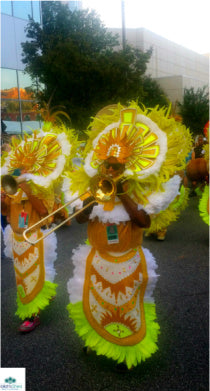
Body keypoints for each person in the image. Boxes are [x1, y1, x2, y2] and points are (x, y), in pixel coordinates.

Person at [65, 103, 192, 371]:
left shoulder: (138, 195)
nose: (110, 171)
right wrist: (91, 202)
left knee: (128, 307)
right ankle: (96, 341)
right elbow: (78, 219)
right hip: (97, 259)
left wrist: (122, 193)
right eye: (107, 166)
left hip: (128, 261)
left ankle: (127, 349)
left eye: (116, 167)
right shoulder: (95, 188)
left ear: (126, 168)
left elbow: (144, 221)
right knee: (93, 301)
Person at [1, 126, 72, 333]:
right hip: (16, 237)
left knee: (33, 276)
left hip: (34, 237)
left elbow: (43, 212)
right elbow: (6, 212)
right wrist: (3, 200)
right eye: (20, 165)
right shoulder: (10, 182)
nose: (22, 168)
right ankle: (41, 295)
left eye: (26, 166)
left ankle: (33, 316)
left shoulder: (42, 184)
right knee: (22, 278)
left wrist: (27, 189)